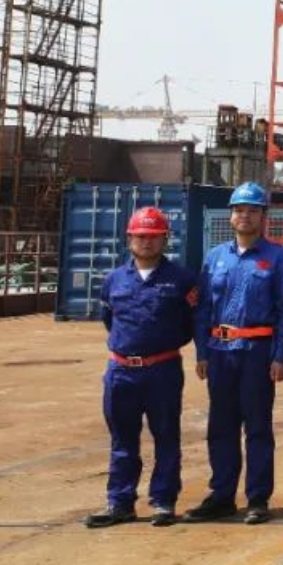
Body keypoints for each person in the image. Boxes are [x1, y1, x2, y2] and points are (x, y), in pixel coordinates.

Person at [187, 182, 283, 524]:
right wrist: (202, 352)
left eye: (252, 210)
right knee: (221, 426)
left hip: (257, 353)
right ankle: (221, 495)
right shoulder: (215, 258)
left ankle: (257, 498)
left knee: (258, 427)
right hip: (220, 352)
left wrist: (281, 356)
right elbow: (203, 309)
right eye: (239, 210)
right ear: (230, 216)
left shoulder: (277, 258)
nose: (245, 216)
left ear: (264, 217)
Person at [85, 207, 197, 528]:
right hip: (121, 372)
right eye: (140, 236)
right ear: (129, 239)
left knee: (166, 436)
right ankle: (120, 503)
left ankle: (163, 501)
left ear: (165, 239)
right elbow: (110, 320)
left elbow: (190, 324)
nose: (146, 242)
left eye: (154, 236)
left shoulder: (182, 280)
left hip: (162, 370)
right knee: (122, 439)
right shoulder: (114, 280)